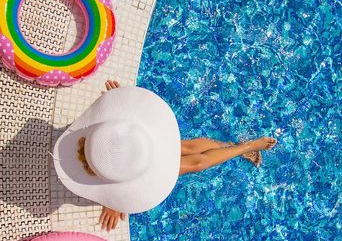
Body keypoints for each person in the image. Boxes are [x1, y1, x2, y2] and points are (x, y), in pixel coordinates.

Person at [53, 80, 277, 231]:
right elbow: (110, 141)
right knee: (196, 161)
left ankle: (247, 146)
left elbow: (112, 135)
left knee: (188, 149)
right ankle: (238, 147)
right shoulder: (93, 146)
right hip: (144, 156)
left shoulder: (97, 145)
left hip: (141, 144)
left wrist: (114, 200)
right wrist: (115, 199)